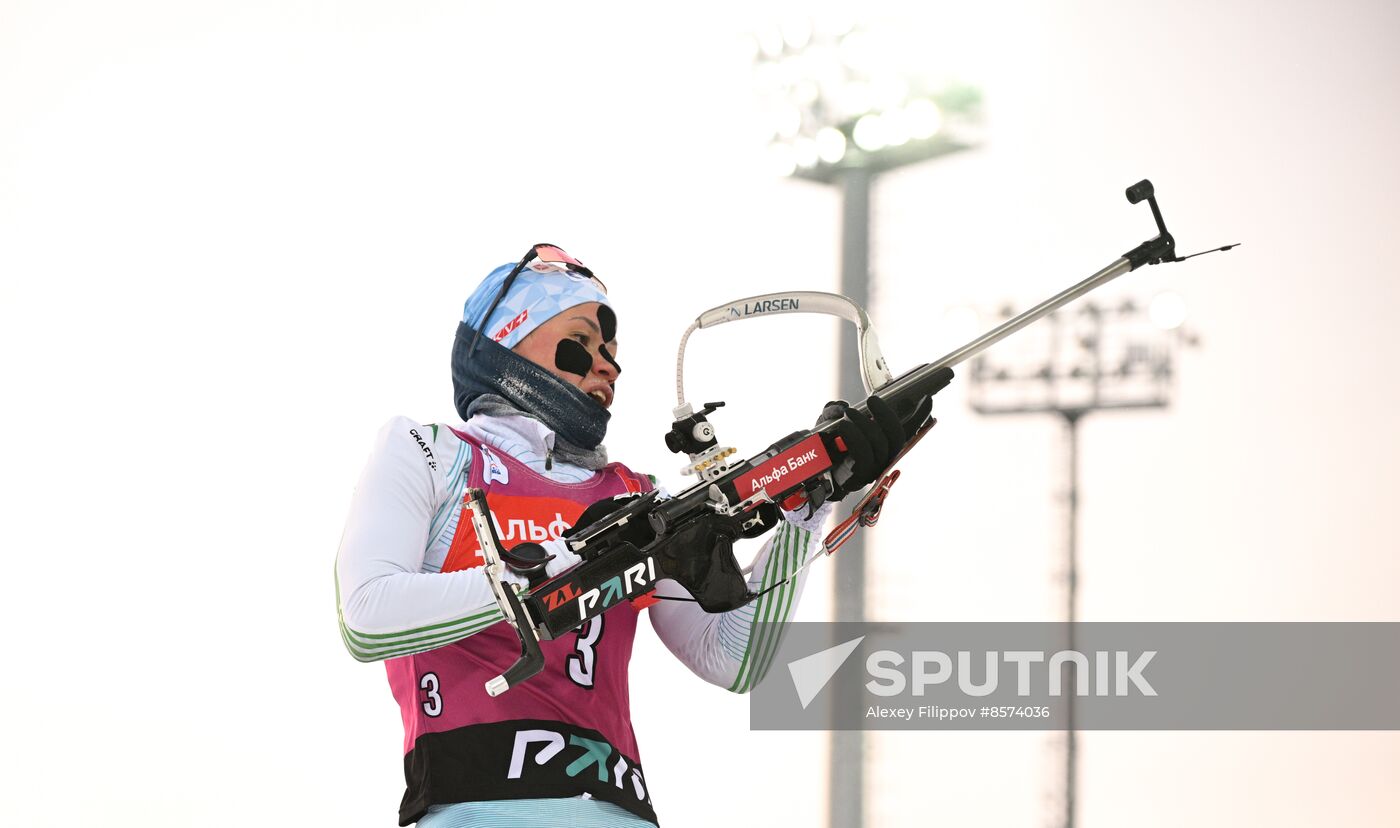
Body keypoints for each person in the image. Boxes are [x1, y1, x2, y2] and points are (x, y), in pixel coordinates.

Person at [335, 244, 910, 826]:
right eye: (579, 342)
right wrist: (565, 564)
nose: (607, 365)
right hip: (475, 809)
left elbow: (735, 659)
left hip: (619, 813)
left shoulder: (635, 497)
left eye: (610, 349)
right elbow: (366, 618)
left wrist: (805, 510)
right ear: (505, 343)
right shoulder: (432, 453)